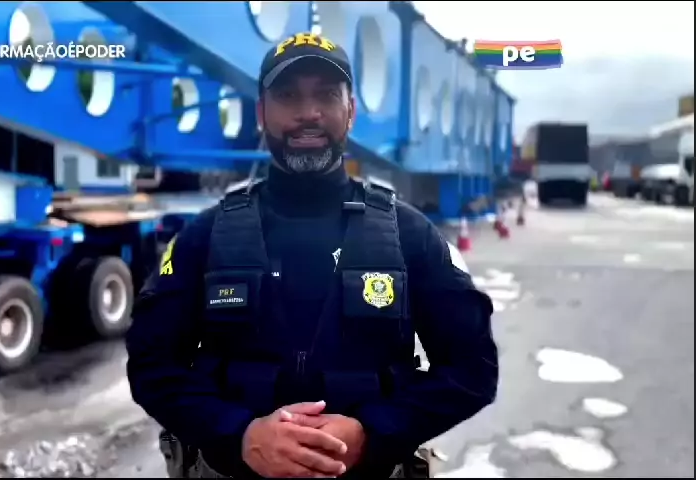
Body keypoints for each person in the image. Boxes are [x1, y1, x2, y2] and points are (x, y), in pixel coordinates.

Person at [126, 32, 499, 479]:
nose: (308, 113)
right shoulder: (207, 236)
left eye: (326, 95)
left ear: (351, 111)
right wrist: (239, 435)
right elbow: (152, 365)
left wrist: (373, 432)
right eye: (288, 96)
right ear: (261, 113)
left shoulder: (408, 234)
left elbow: (473, 368)